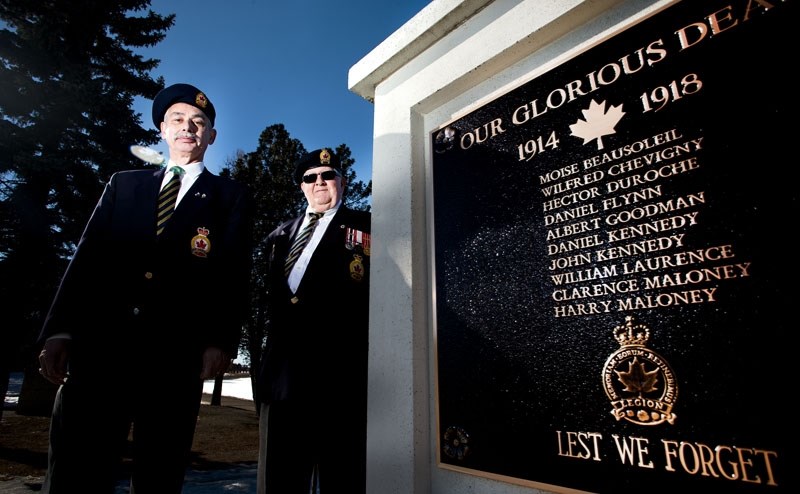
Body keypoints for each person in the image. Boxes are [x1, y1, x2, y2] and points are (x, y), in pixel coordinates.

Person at [36, 83, 253, 494]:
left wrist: (220, 340)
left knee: (159, 470)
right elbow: (86, 260)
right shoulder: (124, 185)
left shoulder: (231, 197)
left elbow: (232, 273)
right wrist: (60, 329)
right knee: (76, 467)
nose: (188, 128)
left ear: (211, 136)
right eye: (178, 120)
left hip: (174, 356)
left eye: (198, 122)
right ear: (162, 130)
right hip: (100, 349)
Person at [256, 148, 371, 493]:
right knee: (283, 477)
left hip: (341, 378)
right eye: (311, 177)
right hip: (285, 381)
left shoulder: (368, 226)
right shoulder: (279, 236)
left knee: (343, 477)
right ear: (302, 187)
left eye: (328, 175)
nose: (320, 182)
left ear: (342, 182)